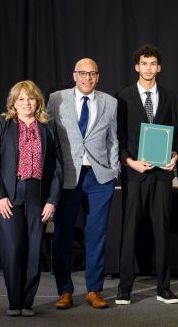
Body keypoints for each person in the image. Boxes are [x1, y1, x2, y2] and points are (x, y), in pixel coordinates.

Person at [0, 80, 63, 316]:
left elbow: (58, 166)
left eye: (30, 98)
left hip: (37, 195)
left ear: (37, 100)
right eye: (21, 99)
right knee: (13, 248)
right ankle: (14, 301)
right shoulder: (2, 124)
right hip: (8, 194)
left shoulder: (47, 127)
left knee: (33, 250)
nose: (26, 103)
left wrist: (52, 200)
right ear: (13, 102)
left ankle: (27, 302)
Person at [48, 58, 119, 309]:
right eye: (82, 73)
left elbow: (113, 139)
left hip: (100, 178)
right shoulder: (57, 99)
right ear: (74, 75)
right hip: (67, 176)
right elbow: (51, 138)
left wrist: (114, 168)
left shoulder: (110, 102)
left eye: (92, 73)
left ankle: (94, 290)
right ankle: (64, 291)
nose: (87, 78)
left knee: (97, 235)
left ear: (98, 77)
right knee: (63, 234)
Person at [115, 44, 178, 305]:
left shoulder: (169, 96)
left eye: (153, 63)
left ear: (159, 67)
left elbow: (177, 131)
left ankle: (164, 287)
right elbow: (117, 137)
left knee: (162, 230)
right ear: (136, 67)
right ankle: (124, 288)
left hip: (162, 175)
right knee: (129, 230)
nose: (148, 68)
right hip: (135, 174)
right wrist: (130, 162)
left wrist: (174, 156)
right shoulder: (122, 96)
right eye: (144, 63)